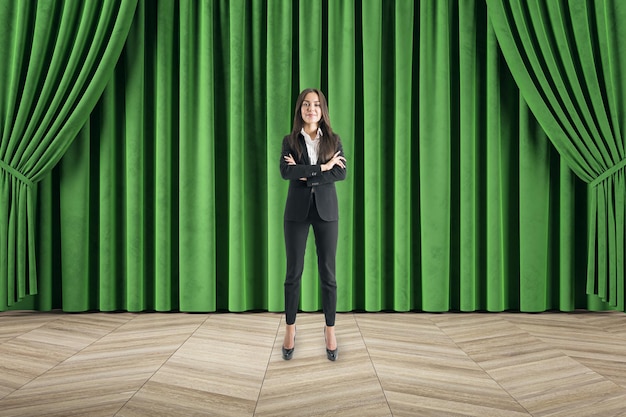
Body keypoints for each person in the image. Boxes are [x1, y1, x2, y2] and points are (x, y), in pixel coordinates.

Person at [279, 88, 347, 361]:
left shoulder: (334, 139)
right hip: (296, 212)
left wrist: (307, 174)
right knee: (293, 273)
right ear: (300, 110)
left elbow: (341, 173)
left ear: (322, 110)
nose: (311, 109)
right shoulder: (289, 141)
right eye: (306, 105)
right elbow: (286, 172)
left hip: (326, 212)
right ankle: (290, 329)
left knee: (328, 275)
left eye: (316, 105)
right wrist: (323, 167)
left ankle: (330, 330)